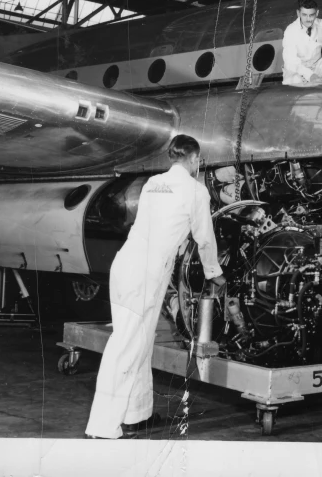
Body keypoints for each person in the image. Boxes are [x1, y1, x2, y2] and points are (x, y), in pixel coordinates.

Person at [85, 134, 226, 439]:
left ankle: (137, 416)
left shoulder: (152, 184)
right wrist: (215, 273)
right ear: (194, 159)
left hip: (125, 265)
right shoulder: (196, 191)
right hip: (146, 274)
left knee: (140, 343)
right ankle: (102, 426)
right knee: (127, 346)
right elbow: (204, 238)